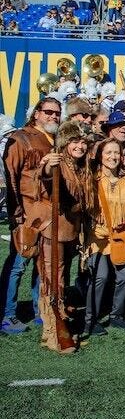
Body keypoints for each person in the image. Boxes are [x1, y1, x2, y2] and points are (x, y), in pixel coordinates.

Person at [1, 97, 61, 335]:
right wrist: (16, 214)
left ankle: (40, 309)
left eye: (57, 113)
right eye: (48, 112)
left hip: (49, 211)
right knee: (18, 264)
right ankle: (7, 314)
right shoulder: (20, 138)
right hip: (27, 211)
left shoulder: (55, 140)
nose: (53, 117)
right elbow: (11, 178)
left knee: (43, 265)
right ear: (36, 113)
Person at [83, 138, 125, 336]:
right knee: (99, 277)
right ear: (100, 156)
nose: (113, 157)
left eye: (116, 153)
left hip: (124, 238)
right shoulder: (91, 180)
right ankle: (90, 320)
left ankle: (116, 315)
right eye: (108, 153)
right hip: (98, 238)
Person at [36, 120, 89, 352]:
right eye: (74, 141)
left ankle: (56, 325)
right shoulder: (56, 161)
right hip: (54, 231)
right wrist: (49, 165)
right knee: (52, 281)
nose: (80, 146)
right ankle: (52, 332)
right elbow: (45, 175)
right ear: (65, 143)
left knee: (62, 279)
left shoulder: (81, 166)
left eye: (82, 141)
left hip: (71, 231)